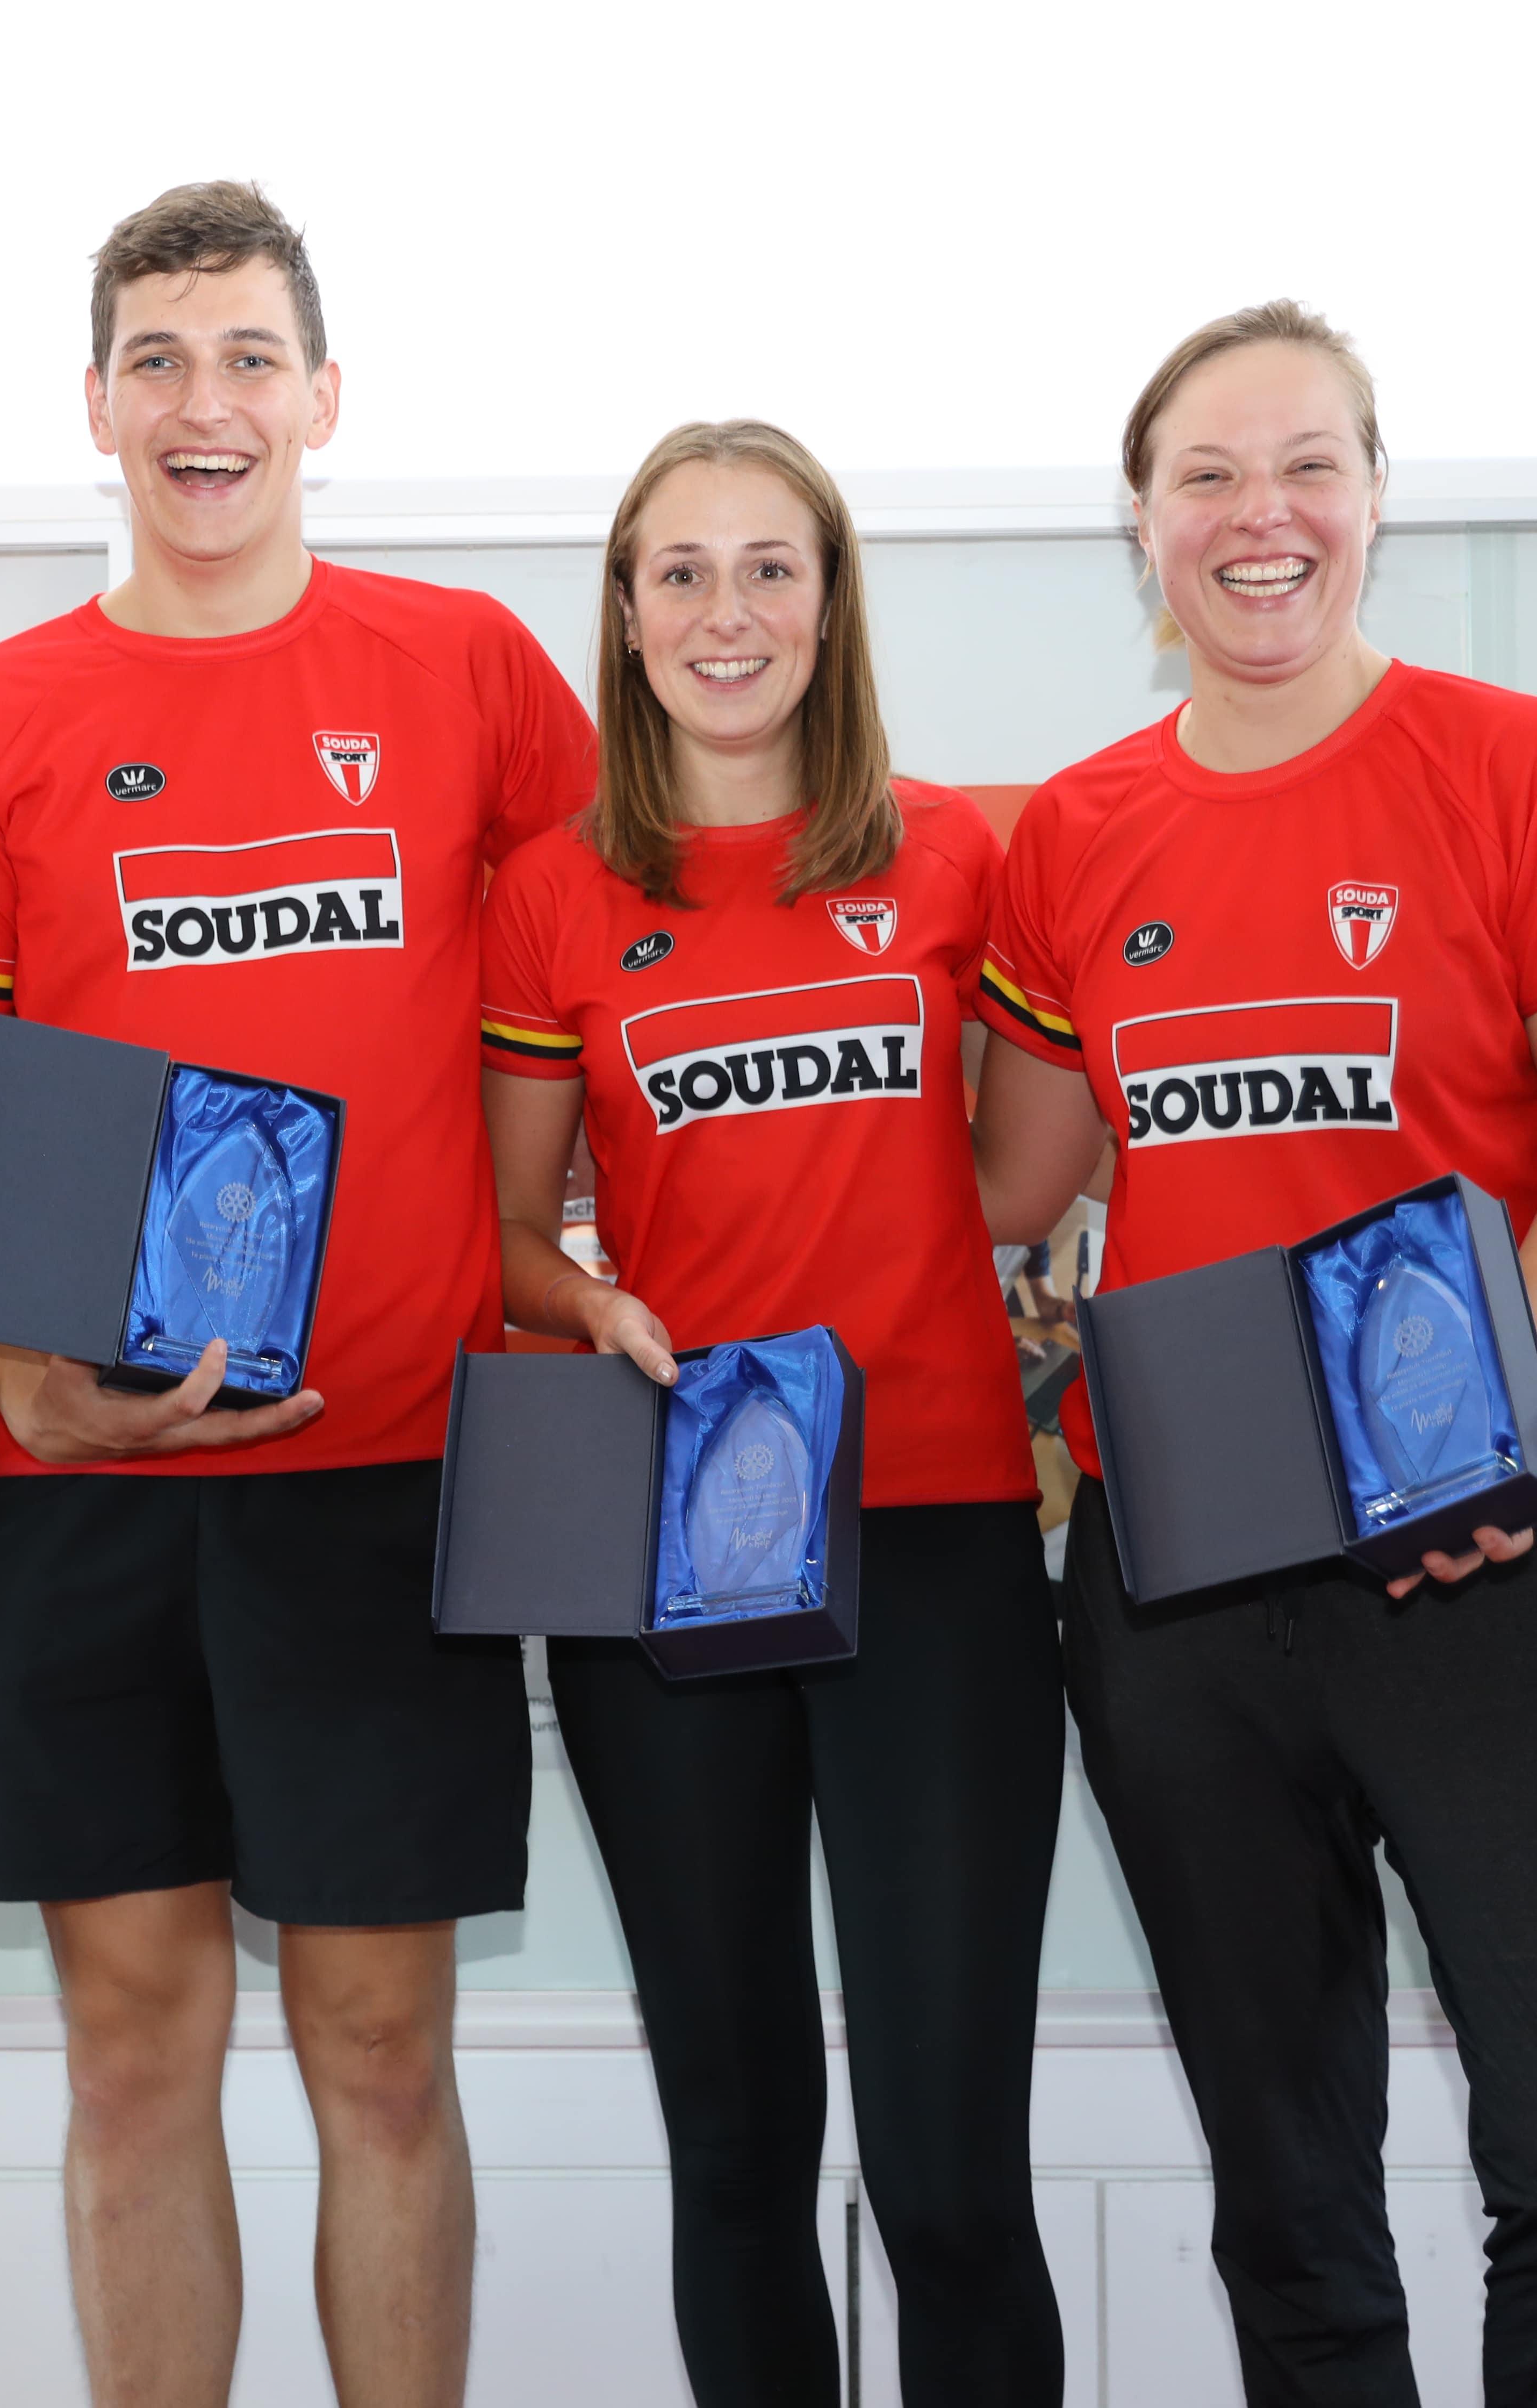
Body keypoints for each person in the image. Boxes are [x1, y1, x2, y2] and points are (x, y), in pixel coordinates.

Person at [0, 182, 595, 2406]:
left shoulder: (470, 672)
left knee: (382, 2053)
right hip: (88, 1495)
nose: (208, 405)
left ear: (325, 397)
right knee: (131, 2053)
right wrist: (22, 1378)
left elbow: (607, 995)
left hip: (388, 1478)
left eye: (251, 358)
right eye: (162, 361)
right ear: (97, 405)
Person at [969, 301, 1537, 2407]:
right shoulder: (1075, 834)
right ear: (1141, 524)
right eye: (1205, 475)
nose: (1259, 514)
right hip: (1185, 1584)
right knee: (1290, 2189)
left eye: (1308, 465)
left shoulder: (1512, 763)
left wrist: (1456, 1414)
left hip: (1483, 1548)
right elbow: (1009, 1192)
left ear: (1377, 498)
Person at [482, 421, 1066, 2404]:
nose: (725, 613)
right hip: (674, 1549)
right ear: (628, 614)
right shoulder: (555, 895)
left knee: (948, 2175)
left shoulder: (959, 857)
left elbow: (1019, 1183)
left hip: (938, 1544)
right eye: (681, 572)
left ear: (832, 602)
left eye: (768, 568)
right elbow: (510, 1243)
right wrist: (596, 1303)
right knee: (738, 2155)